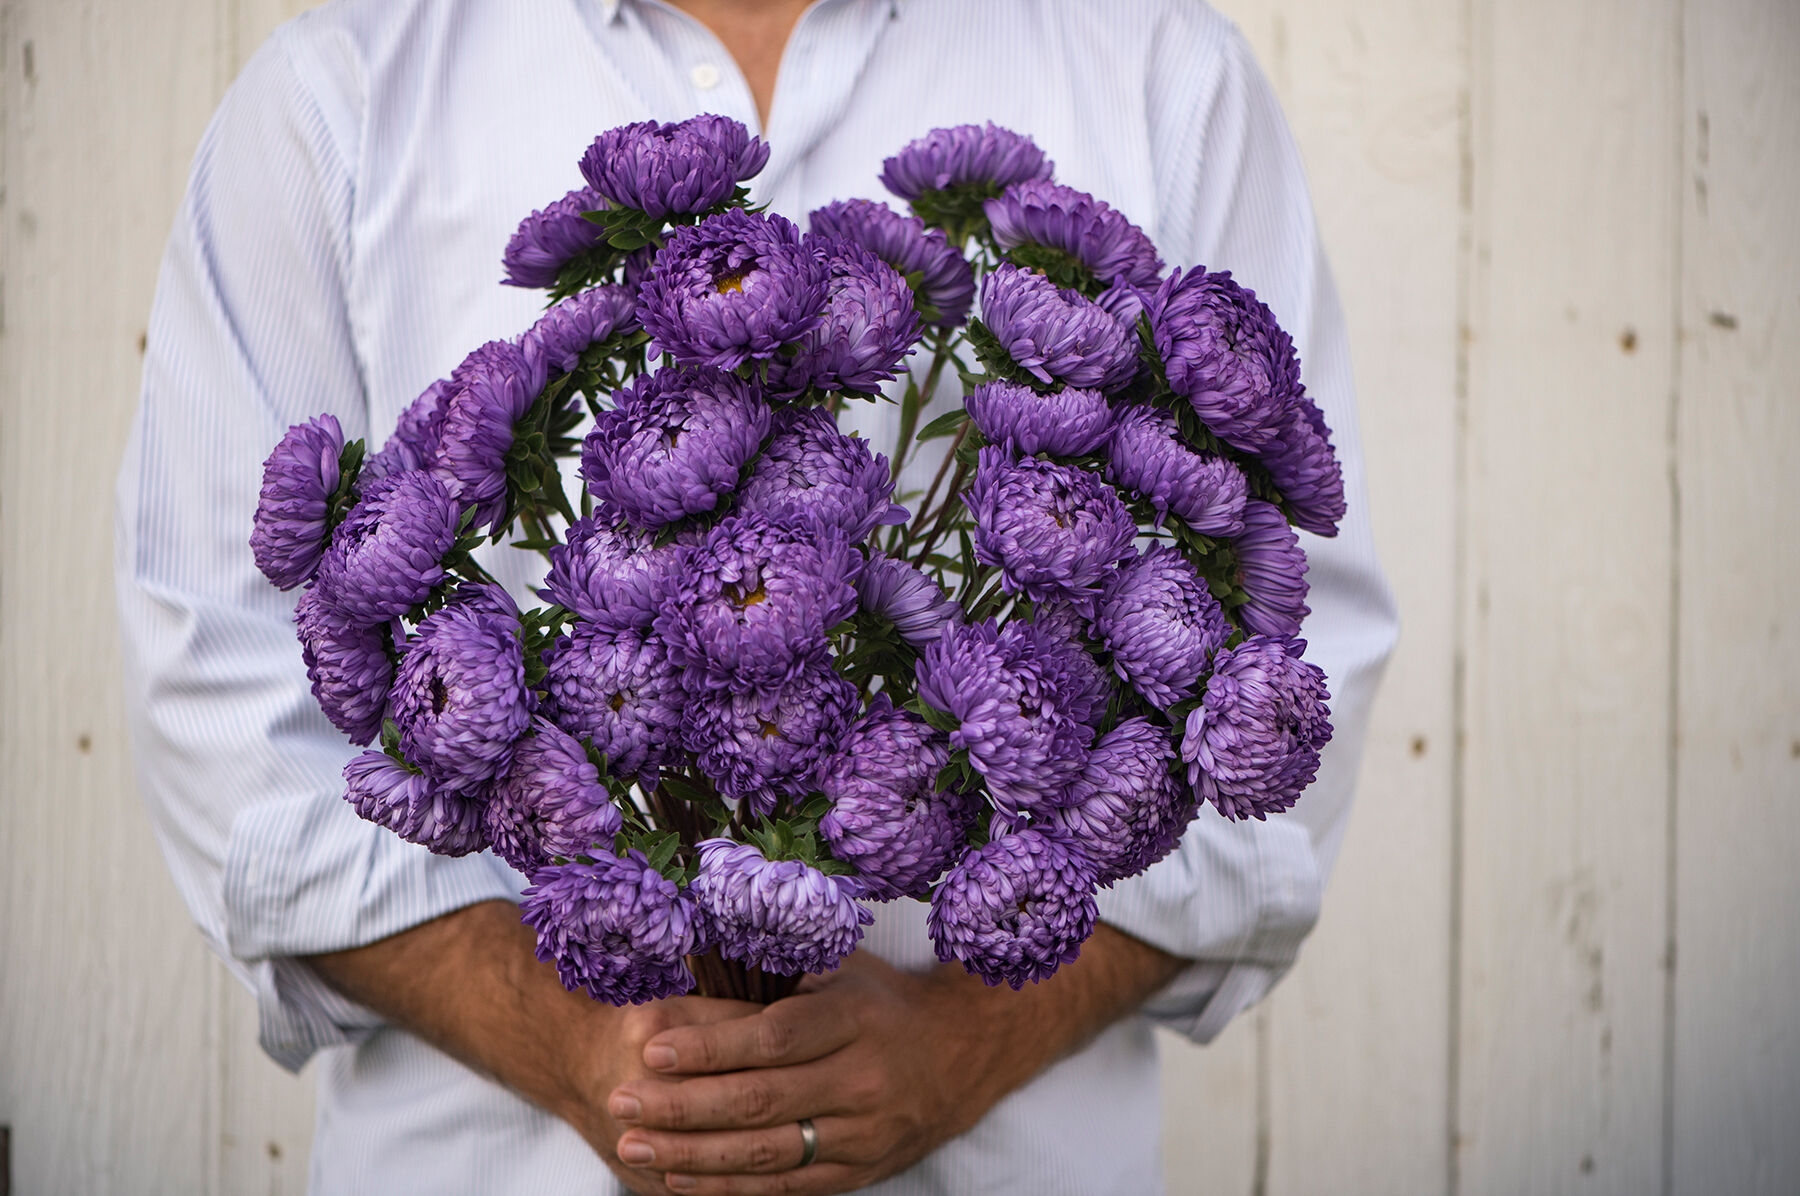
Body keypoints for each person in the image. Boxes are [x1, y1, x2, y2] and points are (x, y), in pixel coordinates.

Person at [116, 1, 1398, 1192]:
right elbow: (216, 684)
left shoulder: (1159, 64)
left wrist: (969, 1036)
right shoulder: (344, 86)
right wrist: (574, 1038)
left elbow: (1302, 663)